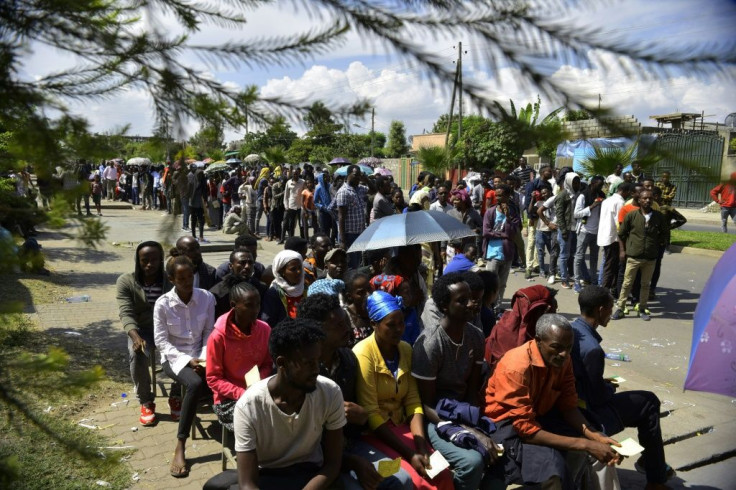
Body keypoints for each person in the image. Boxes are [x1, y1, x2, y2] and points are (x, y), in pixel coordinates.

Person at [203, 319, 345, 490]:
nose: (316, 369)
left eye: (317, 361)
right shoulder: (249, 406)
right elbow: (248, 483)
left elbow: (333, 464)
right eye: (308, 363)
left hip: (312, 474)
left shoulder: (329, 392)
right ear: (281, 363)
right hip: (267, 475)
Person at [485, 314, 622, 489]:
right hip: (509, 427)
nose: (564, 354)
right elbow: (526, 430)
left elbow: (569, 406)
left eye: (568, 348)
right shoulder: (517, 367)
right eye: (556, 348)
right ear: (538, 341)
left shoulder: (563, 360)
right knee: (553, 468)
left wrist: (594, 436)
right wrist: (586, 444)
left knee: (596, 434)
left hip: (540, 416)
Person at [299, 294, 412, 490]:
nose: (348, 329)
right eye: (339, 326)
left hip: (350, 445)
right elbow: (305, 437)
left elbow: (359, 418)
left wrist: (361, 416)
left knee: (401, 479)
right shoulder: (305, 371)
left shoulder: (347, 360)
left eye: (346, 321)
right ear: (318, 332)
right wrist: (351, 461)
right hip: (315, 455)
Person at [571, 286, 674, 490]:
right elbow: (598, 398)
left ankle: (652, 462)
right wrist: (610, 388)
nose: (611, 313)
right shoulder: (592, 349)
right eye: (610, 308)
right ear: (600, 310)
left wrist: (602, 383)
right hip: (587, 414)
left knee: (645, 400)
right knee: (649, 403)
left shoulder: (574, 329)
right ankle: (655, 479)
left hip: (578, 401)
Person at [353, 291, 453, 490]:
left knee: (440, 472)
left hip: (404, 427)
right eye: (391, 325)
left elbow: (413, 401)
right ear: (374, 324)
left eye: (401, 323)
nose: (399, 329)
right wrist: (410, 454)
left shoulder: (406, 349)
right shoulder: (363, 353)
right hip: (377, 433)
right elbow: (371, 413)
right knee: (414, 480)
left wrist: (421, 446)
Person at [412, 273, 497, 490]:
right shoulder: (430, 344)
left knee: (502, 446)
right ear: (444, 305)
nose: (471, 304)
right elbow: (426, 404)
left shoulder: (476, 336)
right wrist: (469, 431)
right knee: (472, 462)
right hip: (435, 418)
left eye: (470, 298)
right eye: (462, 300)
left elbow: (471, 390)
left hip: (463, 411)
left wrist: (472, 423)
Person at [153, 250, 215, 478]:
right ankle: (181, 444)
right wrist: (187, 360)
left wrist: (204, 357)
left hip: (201, 354)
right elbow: (161, 341)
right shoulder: (162, 304)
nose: (187, 283)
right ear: (172, 280)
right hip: (174, 358)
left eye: (190, 277)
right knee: (195, 384)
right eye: (181, 279)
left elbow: (209, 333)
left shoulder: (207, 298)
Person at [116, 241, 171, 426]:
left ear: (161, 260)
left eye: (154, 259)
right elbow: (126, 312)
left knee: (185, 351)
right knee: (136, 353)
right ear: (137, 261)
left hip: (168, 329)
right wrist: (135, 336)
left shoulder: (170, 280)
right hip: (142, 330)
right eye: (144, 260)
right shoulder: (126, 281)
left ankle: (177, 396)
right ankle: (146, 401)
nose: (150, 264)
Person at [206, 281, 272, 431]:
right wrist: (243, 393)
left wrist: (257, 385)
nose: (255, 310)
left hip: (257, 391)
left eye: (258, 304)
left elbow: (268, 363)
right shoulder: (218, 337)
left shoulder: (264, 329)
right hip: (228, 399)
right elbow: (213, 379)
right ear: (233, 305)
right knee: (258, 421)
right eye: (249, 305)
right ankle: (252, 453)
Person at [612, 189, 669, 322]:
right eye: (644, 198)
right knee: (627, 283)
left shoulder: (658, 216)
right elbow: (621, 234)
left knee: (645, 284)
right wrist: (622, 250)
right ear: (639, 200)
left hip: (650, 257)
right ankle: (620, 308)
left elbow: (665, 233)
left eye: (650, 198)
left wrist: (659, 244)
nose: (647, 200)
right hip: (633, 257)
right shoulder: (631, 215)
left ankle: (642, 308)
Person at [482, 184, 521, 310]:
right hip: (493, 252)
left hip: (507, 252)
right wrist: (503, 235)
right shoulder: (490, 212)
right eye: (496, 195)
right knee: (490, 282)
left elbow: (513, 232)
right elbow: (486, 232)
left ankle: (497, 308)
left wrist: (508, 216)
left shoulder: (513, 212)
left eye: (500, 195)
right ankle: (488, 305)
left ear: (508, 196)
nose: (497, 198)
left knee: (502, 284)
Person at [337, 165, 376, 268]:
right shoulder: (344, 192)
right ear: (348, 175)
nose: (358, 178)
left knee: (358, 262)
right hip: (349, 235)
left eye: (359, 176)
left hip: (360, 233)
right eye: (355, 175)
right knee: (351, 264)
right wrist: (342, 240)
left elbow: (374, 191)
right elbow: (341, 217)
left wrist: (366, 179)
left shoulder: (360, 189)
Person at [597, 183, 633, 295]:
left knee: (610, 264)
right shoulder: (620, 202)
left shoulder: (607, 200)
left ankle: (610, 288)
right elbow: (619, 223)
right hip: (613, 238)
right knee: (610, 266)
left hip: (606, 236)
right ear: (625, 191)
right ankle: (604, 291)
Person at [210, 249, 266, 319]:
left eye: (250, 263)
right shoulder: (218, 293)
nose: (247, 266)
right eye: (242, 263)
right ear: (231, 266)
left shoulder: (261, 288)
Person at [573, 175, 605, 293]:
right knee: (579, 256)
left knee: (594, 257)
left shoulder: (602, 195)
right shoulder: (583, 195)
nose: (601, 187)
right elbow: (576, 214)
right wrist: (592, 206)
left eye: (602, 185)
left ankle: (593, 281)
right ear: (592, 184)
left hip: (597, 232)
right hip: (584, 230)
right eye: (599, 185)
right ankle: (576, 282)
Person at [260, 250, 305, 328]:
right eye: (293, 269)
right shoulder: (274, 293)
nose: (298, 272)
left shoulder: (306, 288)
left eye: (300, 267)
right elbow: (268, 321)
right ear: (282, 271)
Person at [555, 172, 581, 289]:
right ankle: (564, 279)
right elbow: (559, 215)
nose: (576, 184)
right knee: (564, 255)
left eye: (578, 181)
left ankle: (570, 275)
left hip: (575, 228)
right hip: (565, 229)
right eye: (574, 182)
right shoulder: (562, 195)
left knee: (572, 254)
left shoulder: (578, 194)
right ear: (569, 182)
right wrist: (563, 230)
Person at [535, 187, 559, 284]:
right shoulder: (539, 203)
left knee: (553, 251)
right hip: (540, 230)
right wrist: (533, 199)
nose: (544, 195)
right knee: (540, 251)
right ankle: (542, 270)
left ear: (550, 192)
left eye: (546, 192)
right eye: (542, 193)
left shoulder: (555, 201)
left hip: (550, 231)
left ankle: (552, 270)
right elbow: (531, 211)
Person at [344, 270, 373, 344]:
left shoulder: (377, 311)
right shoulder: (345, 317)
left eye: (369, 289)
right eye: (361, 292)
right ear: (349, 296)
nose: (368, 294)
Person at [281, 168, 305, 243]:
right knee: (291, 224)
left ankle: (302, 239)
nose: (295, 175)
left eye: (297, 174)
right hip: (291, 206)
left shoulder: (302, 182)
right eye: (294, 174)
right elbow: (286, 195)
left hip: (300, 206)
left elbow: (305, 192)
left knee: (301, 224)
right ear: (292, 174)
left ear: (299, 174)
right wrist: (286, 206)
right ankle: (291, 239)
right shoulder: (288, 182)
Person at [315, 170, 335, 240]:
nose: (326, 179)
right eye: (324, 178)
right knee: (324, 228)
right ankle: (325, 242)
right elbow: (315, 201)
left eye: (326, 177)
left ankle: (331, 241)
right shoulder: (318, 188)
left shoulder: (330, 186)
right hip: (323, 211)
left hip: (331, 210)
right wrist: (322, 207)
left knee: (332, 227)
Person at [301, 176, 318, 240]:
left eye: (310, 183)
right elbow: (302, 202)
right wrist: (305, 211)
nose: (309, 184)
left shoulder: (314, 191)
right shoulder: (304, 191)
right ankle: (306, 241)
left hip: (313, 210)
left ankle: (314, 239)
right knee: (306, 226)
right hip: (306, 210)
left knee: (315, 226)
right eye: (307, 183)